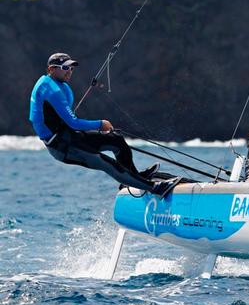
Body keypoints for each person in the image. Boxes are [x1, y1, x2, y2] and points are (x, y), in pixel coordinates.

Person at [29, 52, 179, 197]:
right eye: (65, 68)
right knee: (106, 163)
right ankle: (154, 188)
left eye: (71, 68)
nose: (70, 72)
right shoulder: (51, 89)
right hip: (61, 146)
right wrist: (100, 124)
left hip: (70, 136)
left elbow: (66, 120)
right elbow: (73, 123)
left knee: (116, 140)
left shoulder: (60, 85)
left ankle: (134, 177)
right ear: (51, 69)